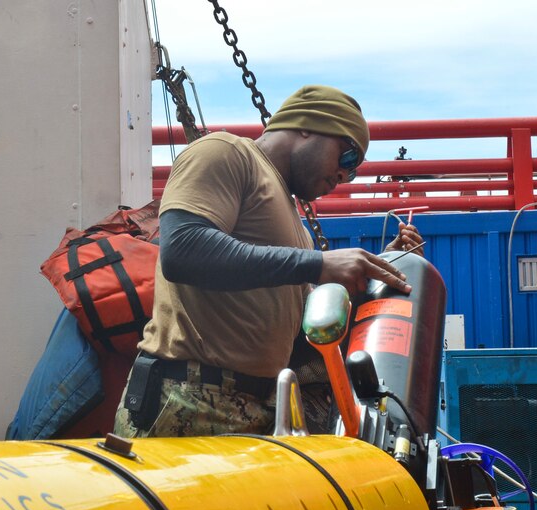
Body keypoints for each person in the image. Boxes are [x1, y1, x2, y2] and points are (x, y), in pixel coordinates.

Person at [113, 84, 424, 438]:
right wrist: (318, 264)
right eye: (348, 157)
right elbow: (184, 248)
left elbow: (299, 330)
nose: (344, 176)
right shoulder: (224, 153)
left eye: (352, 172)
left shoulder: (293, 222)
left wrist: (379, 272)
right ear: (308, 124)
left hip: (253, 407)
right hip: (189, 401)